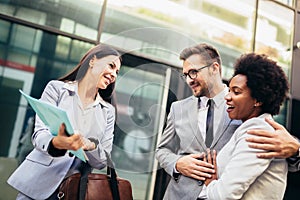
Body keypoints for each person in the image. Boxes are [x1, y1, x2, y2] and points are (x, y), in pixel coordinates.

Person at [7, 44, 122, 199]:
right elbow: (39, 134)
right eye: (111, 65)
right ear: (93, 60)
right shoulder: (56, 89)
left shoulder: (108, 111)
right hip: (38, 185)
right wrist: (56, 143)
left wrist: (90, 145)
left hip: (73, 191)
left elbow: (102, 160)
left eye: (117, 71)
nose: (114, 74)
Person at [155, 43, 242, 200]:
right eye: (186, 74)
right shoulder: (178, 108)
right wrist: (178, 163)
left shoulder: (241, 104)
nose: (189, 80)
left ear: (214, 68)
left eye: (194, 72)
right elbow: (162, 151)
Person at [203, 53, 289, 199]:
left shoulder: (258, 132)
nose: (227, 97)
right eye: (229, 90)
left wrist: (210, 183)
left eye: (236, 92)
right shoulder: (256, 128)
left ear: (258, 100)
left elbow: (224, 195)